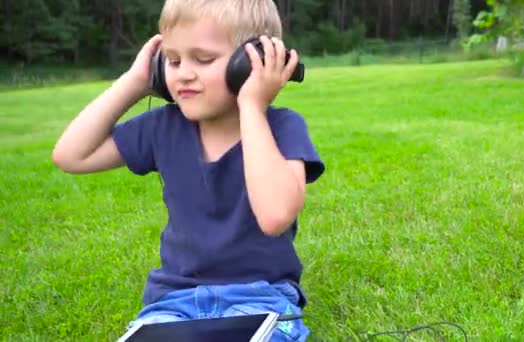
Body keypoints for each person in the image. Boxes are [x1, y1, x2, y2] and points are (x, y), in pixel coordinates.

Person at [52, 0, 325, 340]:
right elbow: (71, 156)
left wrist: (251, 107)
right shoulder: (162, 127)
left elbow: (274, 216)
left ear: (251, 62)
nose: (183, 73)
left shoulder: (282, 127)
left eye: (204, 59)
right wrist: (134, 82)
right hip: (173, 301)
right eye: (173, 60)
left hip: (258, 298)